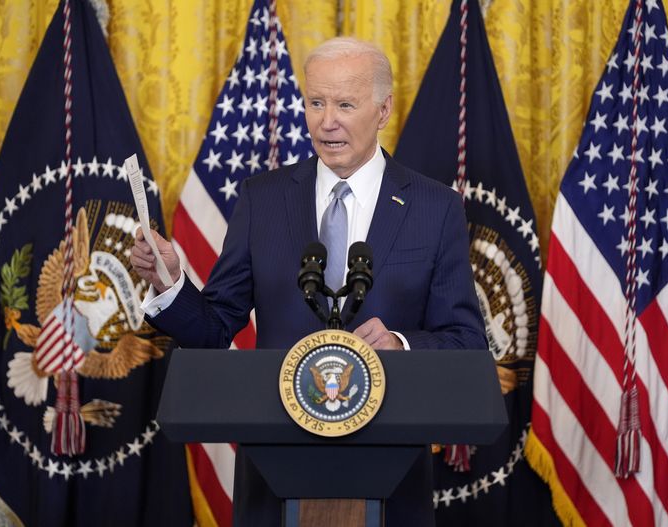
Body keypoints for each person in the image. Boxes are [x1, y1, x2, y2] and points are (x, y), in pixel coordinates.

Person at [131, 37, 487, 527]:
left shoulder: (434, 207)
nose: (327, 121)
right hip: (276, 472)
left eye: (345, 104)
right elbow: (214, 328)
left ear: (383, 111)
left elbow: (465, 343)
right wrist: (170, 281)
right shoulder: (263, 200)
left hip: (390, 472)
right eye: (316, 102)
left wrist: (401, 345)